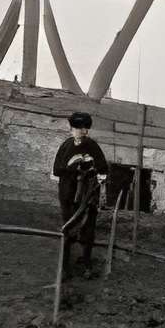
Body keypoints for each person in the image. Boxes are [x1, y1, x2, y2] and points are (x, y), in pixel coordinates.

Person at [53, 112, 107, 275]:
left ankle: (86, 264)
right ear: (72, 129)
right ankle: (65, 266)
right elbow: (57, 170)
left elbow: (103, 169)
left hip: (87, 195)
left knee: (88, 229)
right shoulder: (66, 146)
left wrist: (90, 167)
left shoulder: (92, 145)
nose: (83, 131)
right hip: (67, 194)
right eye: (80, 128)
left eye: (86, 128)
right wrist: (72, 165)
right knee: (68, 226)